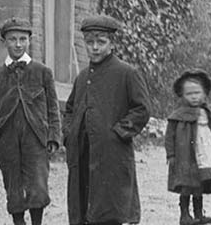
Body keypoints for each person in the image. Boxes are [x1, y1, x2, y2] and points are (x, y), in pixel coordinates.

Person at [63, 14, 149, 225]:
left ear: (112, 44)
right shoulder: (83, 77)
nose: (95, 48)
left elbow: (142, 109)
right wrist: (69, 134)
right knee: (83, 207)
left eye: (101, 42)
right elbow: (70, 109)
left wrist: (118, 133)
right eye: (89, 42)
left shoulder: (126, 73)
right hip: (82, 151)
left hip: (112, 153)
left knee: (109, 210)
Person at [0, 17, 61, 225]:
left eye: (22, 39)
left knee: (38, 184)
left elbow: (53, 108)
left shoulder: (42, 72)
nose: (18, 44)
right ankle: (18, 221)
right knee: (13, 184)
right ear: (4, 42)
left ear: (29, 41)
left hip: (36, 137)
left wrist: (53, 136)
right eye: (12, 39)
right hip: (7, 139)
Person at [165, 68, 211, 225]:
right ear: (182, 95)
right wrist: (171, 154)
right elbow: (169, 136)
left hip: (205, 153)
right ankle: (184, 214)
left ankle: (198, 214)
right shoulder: (178, 115)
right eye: (189, 94)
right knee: (186, 183)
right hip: (186, 155)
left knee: (199, 183)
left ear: (205, 93)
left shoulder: (209, 112)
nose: (194, 97)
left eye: (197, 93)